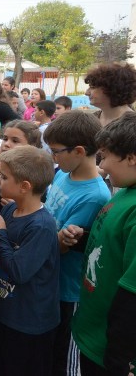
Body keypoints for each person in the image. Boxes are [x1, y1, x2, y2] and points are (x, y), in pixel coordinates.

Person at [0, 146, 59, 376]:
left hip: (28, 323)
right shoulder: (11, 209)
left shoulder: (42, 226)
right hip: (2, 312)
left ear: (25, 186)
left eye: (4, 177)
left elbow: (18, 271)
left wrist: (0, 234)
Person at [43, 111, 111, 376]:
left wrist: (59, 240)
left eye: (56, 151)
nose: (53, 157)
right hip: (52, 279)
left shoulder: (95, 196)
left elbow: (63, 246)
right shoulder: (63, 173)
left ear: (79, 151)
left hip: (69, 291)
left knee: (65, 358)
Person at [70, 112, 136, 376]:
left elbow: (132, 296)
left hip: (110, 353)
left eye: (106, 156)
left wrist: (119, 360)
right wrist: (81, 239)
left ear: (131, 158)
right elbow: (112, 247)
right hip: (93, 335)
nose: (102, 166)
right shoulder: (125, 193)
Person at [84, 62, 136, 127]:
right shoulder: (89, 122)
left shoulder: (132, 126)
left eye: (92, 87)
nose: (86, 93)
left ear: (113, 88)